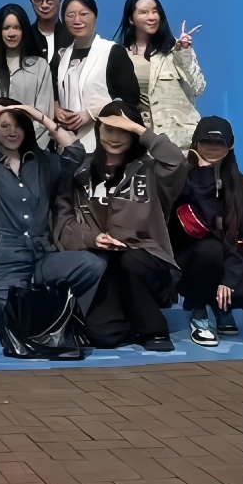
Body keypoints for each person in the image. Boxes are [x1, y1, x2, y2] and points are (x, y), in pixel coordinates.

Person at [53, 102, 187, 351]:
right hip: (104, 262)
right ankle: (133, 321)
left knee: (130, 261)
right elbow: (64, 219)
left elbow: (177, 162)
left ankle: (155, 331)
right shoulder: (80, 169)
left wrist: (139, 129)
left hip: (145, 260)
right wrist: (92, 238)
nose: (114, 137)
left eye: (123, 130)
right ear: (98, 130)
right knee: (103, 335)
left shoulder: (150, 170)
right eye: (108, 129)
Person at [0, 100, 105, 321]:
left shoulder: (42, 161)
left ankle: (44, 299)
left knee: (92, 265)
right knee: (24, 324)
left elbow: (76, 152)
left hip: (43, 256)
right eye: (4, 125)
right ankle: (8, 302)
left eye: (18, 125)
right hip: (3, 261)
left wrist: (40, 117)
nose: (12, 131)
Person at [172, 117, 243, 347]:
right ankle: (199, 310)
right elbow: (197, 226)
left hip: (227, 259)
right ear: (195, 143)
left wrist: (229, 278)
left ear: (230, 146)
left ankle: (218, 305)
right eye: (206, 141)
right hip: (188, 260)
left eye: (219, 142)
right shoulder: (180, 179)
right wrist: (204, 175)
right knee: (210, 248)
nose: (212, 147)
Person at [117, 0, 205, 147]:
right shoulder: (120, 55)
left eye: (155, 11)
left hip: (179, 142)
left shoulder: (175, 50)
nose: (151, 17)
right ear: (131, 19)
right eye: (144, 12)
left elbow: (197, 88)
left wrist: (184, 53)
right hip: (141, 141)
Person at [54, 0, 140, 151]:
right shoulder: (62, 56)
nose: (77, 20)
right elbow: (54, 93)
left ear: (95, 16)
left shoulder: (112, 52)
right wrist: (56, 109)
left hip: (103, 143)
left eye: (83, 14)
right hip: (68, 145)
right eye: (70, 15)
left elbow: (130, 99)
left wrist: (91, 113)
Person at [0, 4, 56, 145]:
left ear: (24, 30)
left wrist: (23, 143)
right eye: (6, 28)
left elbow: (45, 113)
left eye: (17, 27)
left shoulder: (39, 66)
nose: (11, 33)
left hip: (32, 147)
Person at [26, 0, 71, 67]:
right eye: (39, 0)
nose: (44, 5)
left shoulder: (72, 37)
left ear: (59, 0)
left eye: (49, 0)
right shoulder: (25, 37)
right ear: (32, 2)